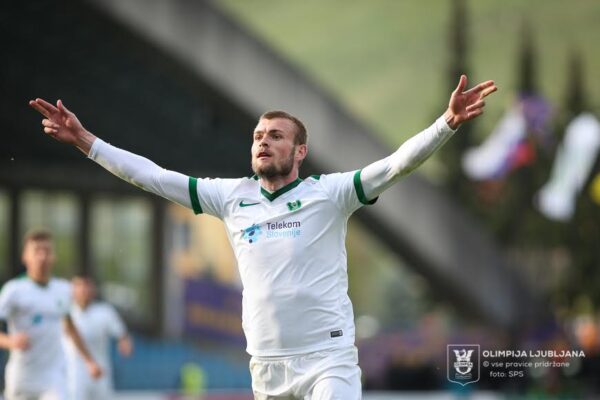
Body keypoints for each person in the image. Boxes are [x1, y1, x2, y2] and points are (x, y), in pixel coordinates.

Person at [29, 74, 497, 399]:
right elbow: (151, 176)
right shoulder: (230, 197)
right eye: (258, 135)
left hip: (327, 359)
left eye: (275, 135)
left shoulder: (330, 193)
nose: (263, 141)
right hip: (266, 366)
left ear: (300, 150)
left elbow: (396, 166)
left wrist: (446, 124)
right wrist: (87, 142)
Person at [0, 230, 102, 400]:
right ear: (25, 256)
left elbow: (70, 328)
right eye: (37, 251)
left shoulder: (63, 289)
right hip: (22, 377)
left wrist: (89, 361)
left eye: (47, 251)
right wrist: (10, 341)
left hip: (53, 377)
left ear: (54, 257)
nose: (42, 257)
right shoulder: (14, 290)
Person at [63, 275, 133, 400]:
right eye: (79, 286)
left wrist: (124, 342)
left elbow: (122, 334)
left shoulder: (105, 312)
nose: (84, 290)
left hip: (100, 372)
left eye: (87, 285)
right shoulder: (65, 312)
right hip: (73, 374)